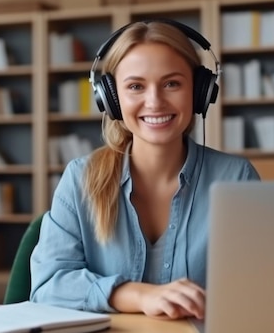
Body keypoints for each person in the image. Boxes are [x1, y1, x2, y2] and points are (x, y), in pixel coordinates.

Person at [30, 20, 260, 320]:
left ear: (200, 91)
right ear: (110, 98)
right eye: (136, 86)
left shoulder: (236, 179)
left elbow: (259, 289)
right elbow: (48, 285)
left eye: (171, 83)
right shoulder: (80, 179)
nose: (155, 102)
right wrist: (138, 294)